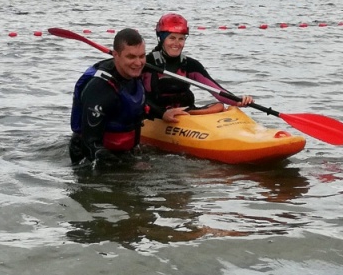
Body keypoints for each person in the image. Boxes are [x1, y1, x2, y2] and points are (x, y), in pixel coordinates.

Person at [68, 27, 187, 166]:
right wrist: (130, 167)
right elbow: (91, 147)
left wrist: (163, 113)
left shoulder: (133, 74)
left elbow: (135, 104)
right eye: (131, 57)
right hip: (92, 159)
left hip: (126, 152)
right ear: (116, 56)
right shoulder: (100, 89)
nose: (138, 63)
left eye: (141, 56)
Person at [143, 13, 253, 115]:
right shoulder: (146, 63)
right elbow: (137, 97)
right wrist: (162, 114)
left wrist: (238, 101)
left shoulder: (190, 65)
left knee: (219, 106)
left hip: (186, 113)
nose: (177, 43)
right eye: (172, 38)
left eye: (181, 39)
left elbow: (216, 90)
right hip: (157, 114)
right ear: (161, 39)